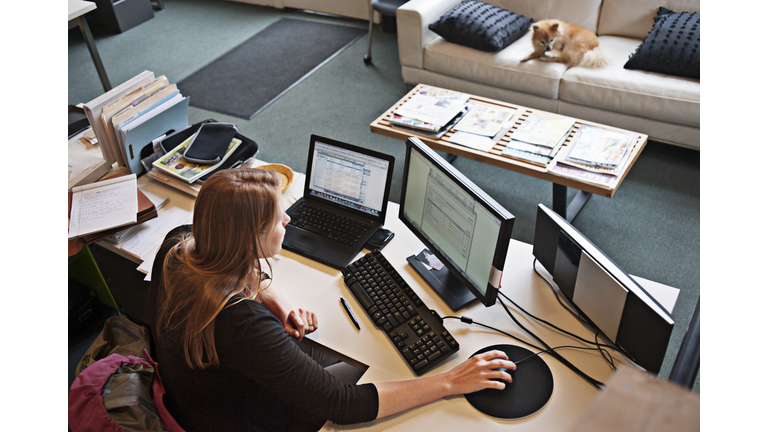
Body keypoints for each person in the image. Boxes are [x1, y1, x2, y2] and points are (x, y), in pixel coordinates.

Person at [149, 168, 516, 432]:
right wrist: (451, 381)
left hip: (196, 399)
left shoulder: (178, 247)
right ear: (250, 241)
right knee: (375, 372)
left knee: (347, 358)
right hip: (241, 419)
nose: (289, 220)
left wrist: (275, 299)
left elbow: (233, 268)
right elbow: (342, 405)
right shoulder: (242, 326)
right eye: (279, 220)